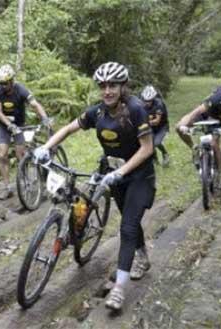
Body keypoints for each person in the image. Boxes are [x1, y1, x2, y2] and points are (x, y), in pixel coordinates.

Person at [33, 62, 155, 311]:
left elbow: (147, 148)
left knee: (128, 226)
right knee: (128, 220)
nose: (107, 90)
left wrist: (121, 171)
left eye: (113, 85)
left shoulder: (136, 110)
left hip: (139, 176)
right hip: (114, 174)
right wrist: (47, 147)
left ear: (123, 86)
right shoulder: (98, 113)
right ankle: (141, 255)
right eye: (103, 86)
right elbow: (69, 128)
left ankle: (119, 289)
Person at [0, 64, 50, 200]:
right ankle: (7, 188)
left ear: (12, 81)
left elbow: (35, 104)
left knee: (21, 155)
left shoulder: (21, 90)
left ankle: (26, 182)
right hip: (4, 126)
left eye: (5, 83)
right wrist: (8, 124)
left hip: (19, 124)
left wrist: (45, 119)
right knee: (2, 155)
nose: (3, 86)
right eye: (1, 83)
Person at [176, 81, 221, 185]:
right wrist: (183, 125)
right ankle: (193, 147)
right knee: (178, 127)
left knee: (214, 144)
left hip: (218, 122)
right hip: (203, 116)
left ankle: (220, 175)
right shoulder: (218, 98)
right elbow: (196, 112)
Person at [140, 85, 170, 167]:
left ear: (153, 99)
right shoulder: (141, 105)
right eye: (145, 100)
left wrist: (144, 123)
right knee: (149, 144)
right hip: (151, 127)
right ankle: (155, 159)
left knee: (156, 142)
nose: (147, 103)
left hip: (162, 127)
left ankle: (165, 153)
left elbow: (157, 121)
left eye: (149, 101)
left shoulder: (159, 104)